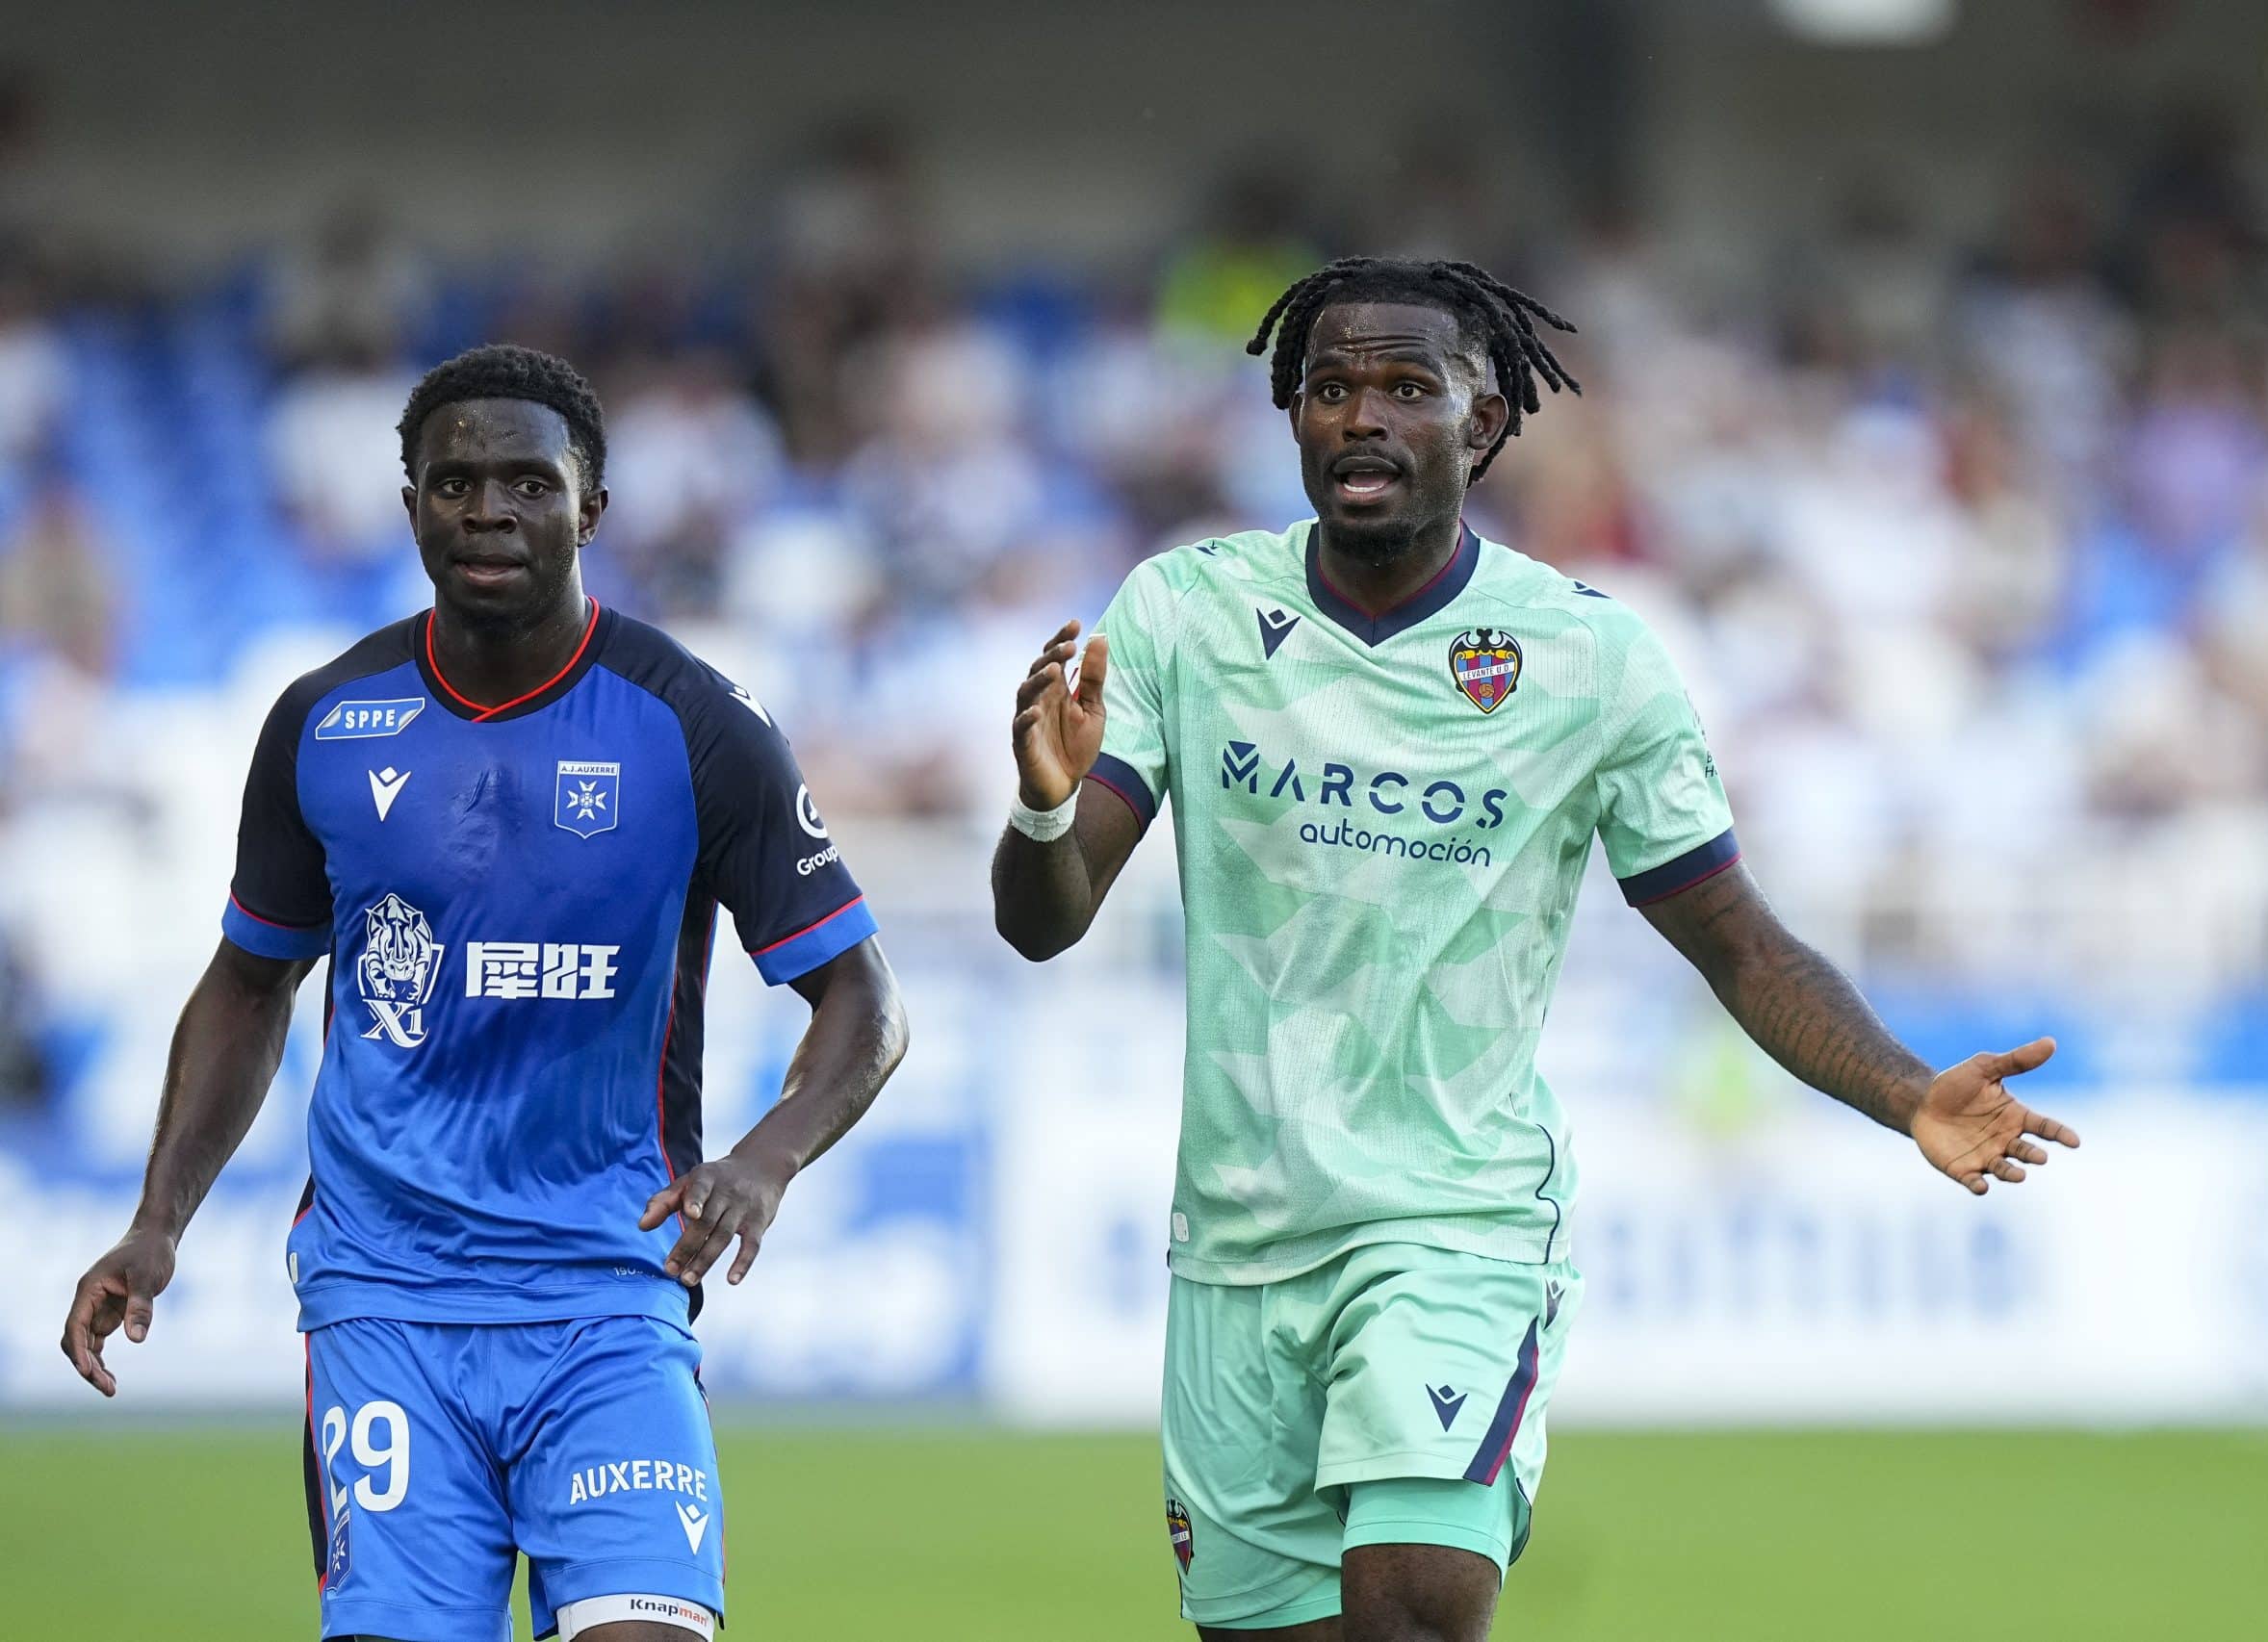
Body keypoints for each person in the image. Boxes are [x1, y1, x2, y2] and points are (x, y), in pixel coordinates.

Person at [990, 257, 2080, 1642]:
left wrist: (1905, 1088)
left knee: (1415, 1609)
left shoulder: (1588, 662)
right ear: (1293, 417)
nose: (1361, 417)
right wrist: (1039, 806)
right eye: (1329, 389)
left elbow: (1735, 939)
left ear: (1486, 420)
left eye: (1405, 387)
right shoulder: (1183, 614)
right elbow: (1047, 920)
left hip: (1457, 1220)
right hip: (1237, 1247)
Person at [60, 344, 909, 1642]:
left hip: (610, 1293)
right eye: (454, 482)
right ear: (409, 505)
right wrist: (158, 1221)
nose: (489, 510)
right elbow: (248, 981)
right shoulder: (324, 721)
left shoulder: (695, 726)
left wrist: (769, 1156)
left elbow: (863, 998)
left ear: (593, 508)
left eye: (527, 481)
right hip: (383, 1298)